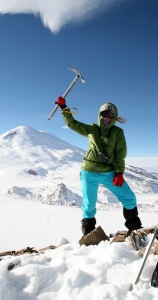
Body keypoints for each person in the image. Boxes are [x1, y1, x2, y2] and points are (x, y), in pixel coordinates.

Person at [55, 96, 143, 237]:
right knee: (89, 205)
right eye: (103, 114)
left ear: (114, 117)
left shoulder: (118, 132)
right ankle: (90, 236)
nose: (106, 118)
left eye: (110, 115)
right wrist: (64, 108)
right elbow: (72, 124)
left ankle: (136, 230)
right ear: (99, 115)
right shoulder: (91, 129)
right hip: (88, 171)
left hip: (108, 172)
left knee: (129, 198)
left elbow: (120, 153)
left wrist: (119, 172)